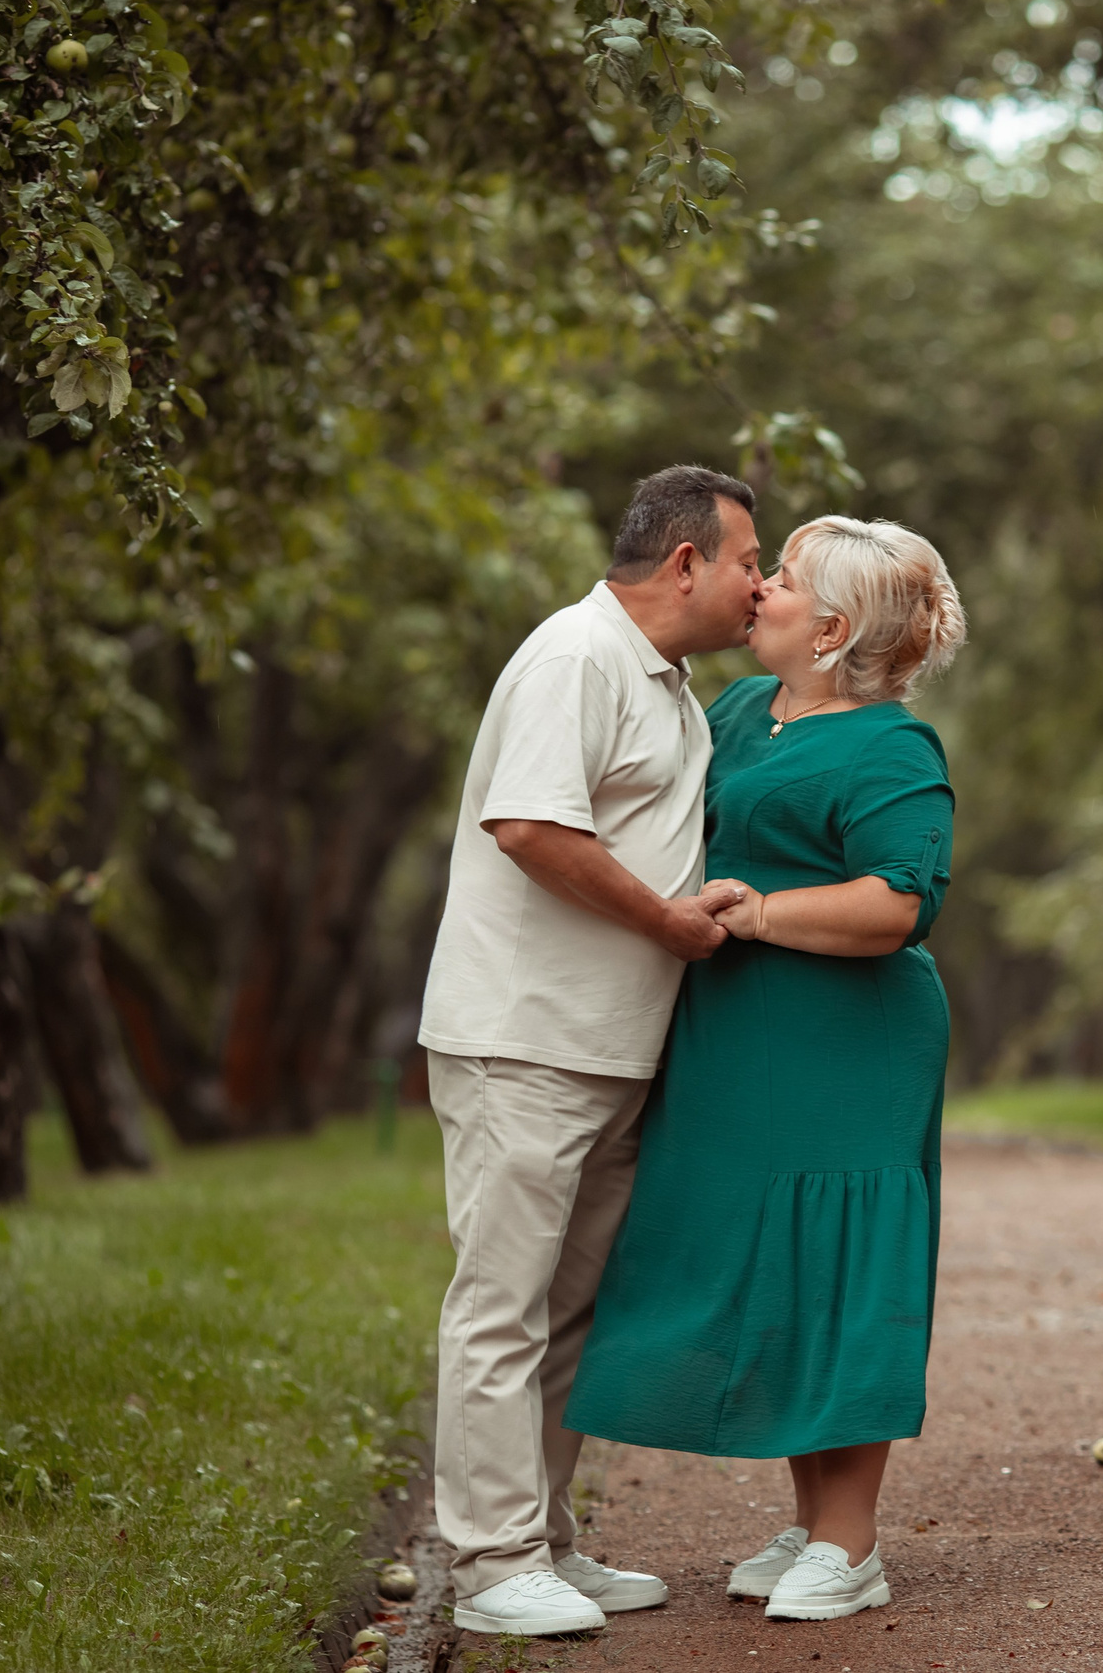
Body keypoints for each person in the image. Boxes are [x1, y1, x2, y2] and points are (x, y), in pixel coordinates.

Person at [566, 515, 967, 1624]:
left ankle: (852, 1541)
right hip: (736, 1034)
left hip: (848, 1040)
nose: (763, 591)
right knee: (776, 1263)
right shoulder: (742, 711)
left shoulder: (893, 748)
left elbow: (896, 904)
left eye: (784, 582)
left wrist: (763, 913)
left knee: (841, 1260)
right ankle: (809, 1519)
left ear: (831, 631)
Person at [415, 465, 766, 1638]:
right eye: (749, 563)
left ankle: (545, 1543)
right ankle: (488, 1563)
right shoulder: (574, 657)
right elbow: (525, 826)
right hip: (523, 1040)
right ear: (686, 564)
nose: (758, 586)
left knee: (571, 1313)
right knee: (502, 1305)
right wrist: (669, 921)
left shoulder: (658, 683)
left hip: (609, 1050)